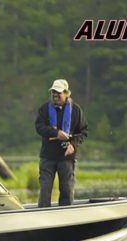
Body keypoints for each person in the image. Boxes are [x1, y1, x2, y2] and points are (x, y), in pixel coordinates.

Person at [35, 79, 88, 207]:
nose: (55, 95)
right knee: (45, 190)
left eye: (58, 92)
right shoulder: (44, 109)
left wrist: (73, 145)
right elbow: (39, 127)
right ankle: (42, 217)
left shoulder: (76, 110)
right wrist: (56, 133)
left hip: (67, 158)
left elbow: (83, 132)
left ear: (66, 93)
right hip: (48, 157)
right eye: (53, 92)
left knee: (67, 190)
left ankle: (66, 217)